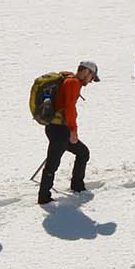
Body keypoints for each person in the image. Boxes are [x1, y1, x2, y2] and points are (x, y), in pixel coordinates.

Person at [38, 61, 98, 204]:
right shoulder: (73, 83)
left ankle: (77, 185)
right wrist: (73, 130)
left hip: (55, 128)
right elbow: (69, 108)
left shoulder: (67, 79)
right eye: (92, 77)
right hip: (60, 130)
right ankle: (44, 197)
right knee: (53, 163)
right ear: (85, 72)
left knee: (82, 153)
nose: (90, 81)